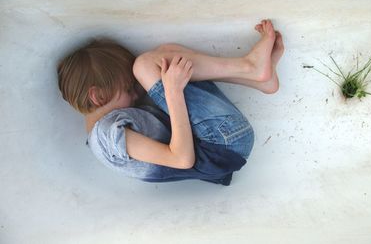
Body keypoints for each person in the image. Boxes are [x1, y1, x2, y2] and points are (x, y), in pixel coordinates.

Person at [57, 19, 284, 185]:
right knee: (144, 66)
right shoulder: (107, 137)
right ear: (98, 96)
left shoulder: (104, 133)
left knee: (166, 54)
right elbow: (182, 159)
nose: (137, 94)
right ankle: (250, 67)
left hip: (222, 142)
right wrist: (172, 90)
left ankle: (260, 79)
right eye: (128, 88)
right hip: (222, 145)